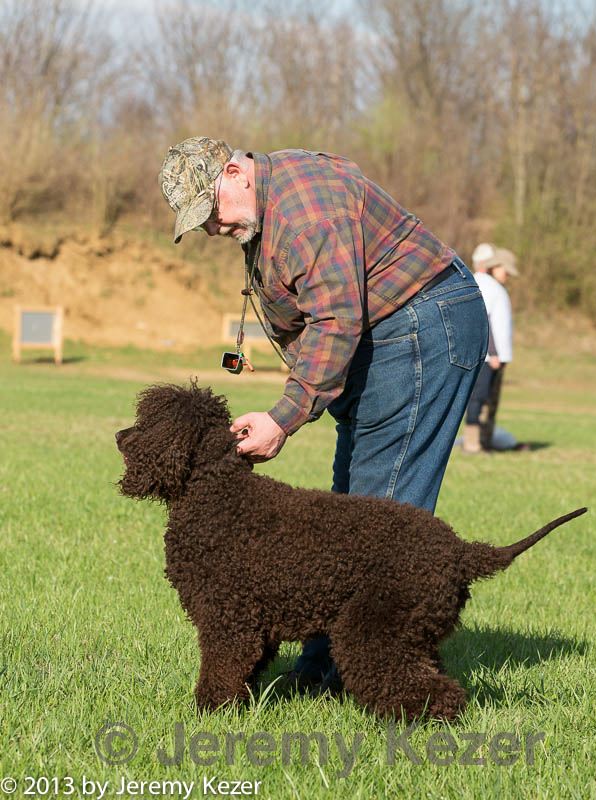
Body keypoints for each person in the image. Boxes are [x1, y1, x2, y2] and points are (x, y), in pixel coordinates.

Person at [158, 136, 489, 689]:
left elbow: (335, 321)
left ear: (236, 172)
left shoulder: (306, 213)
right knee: (345, 516)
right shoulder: (265, 210)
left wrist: (283, 417)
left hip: (420, 326)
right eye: (199, 224)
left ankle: (380, 678)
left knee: (377, 519)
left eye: (209, 212)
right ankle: (322, 670)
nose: (210, 229)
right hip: (384, 333)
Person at [463, 245, 518, 453]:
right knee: (478, 397)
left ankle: (485, 440)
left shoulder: (495, 287)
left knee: (487, 400)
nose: (508, 276)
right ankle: (472, 443)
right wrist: (493, 352)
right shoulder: (484, 285)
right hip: (487, 357)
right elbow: (483, 319)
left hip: (495, 356)